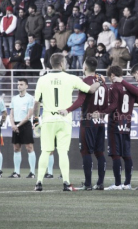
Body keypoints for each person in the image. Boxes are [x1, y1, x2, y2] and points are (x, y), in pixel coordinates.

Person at [33, 53, 103, 191]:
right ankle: (66, 182)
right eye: (65, 61)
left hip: (48, 119)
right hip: (64, 119)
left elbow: (36, 103)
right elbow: (90, 90)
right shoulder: (71, 78)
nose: (66, 64)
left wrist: (35, 120)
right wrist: (100, 81)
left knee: (45, 151)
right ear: (61, 64)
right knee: (63, 152)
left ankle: (39, 183)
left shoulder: (42, 79)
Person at [59, 57, 109, 190]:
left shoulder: (85, 81)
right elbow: (106, 103)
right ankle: (100, 183)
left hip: (88, 121)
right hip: (100, 121)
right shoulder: (103, 83)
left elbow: (80, 101)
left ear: (85, 67)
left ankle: (88, 184)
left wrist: (67, 110)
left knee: (86, 152)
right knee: (99, 153)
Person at [91, 65, 135, 190]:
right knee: (126, 154)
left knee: (116, 154)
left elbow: (114, 105)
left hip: (115, 123)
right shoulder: (129, 86)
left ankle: (117, 184)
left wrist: (101, 112)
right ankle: (127, 183)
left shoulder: (114, 87)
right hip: (126, 122)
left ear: (111, 75)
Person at [8, 78, 36, 178]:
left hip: (25, 124)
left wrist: (18, 125)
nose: (19, 86)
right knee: (16, 148)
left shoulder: (30, 98)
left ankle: (32, 172)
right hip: (15, 125)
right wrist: (12, 124)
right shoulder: (14, 98)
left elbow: (29, 115)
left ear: (26, 86)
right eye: (18, 84)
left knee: (29, 147)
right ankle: (16, 172)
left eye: (21, 84)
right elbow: (11, 113)